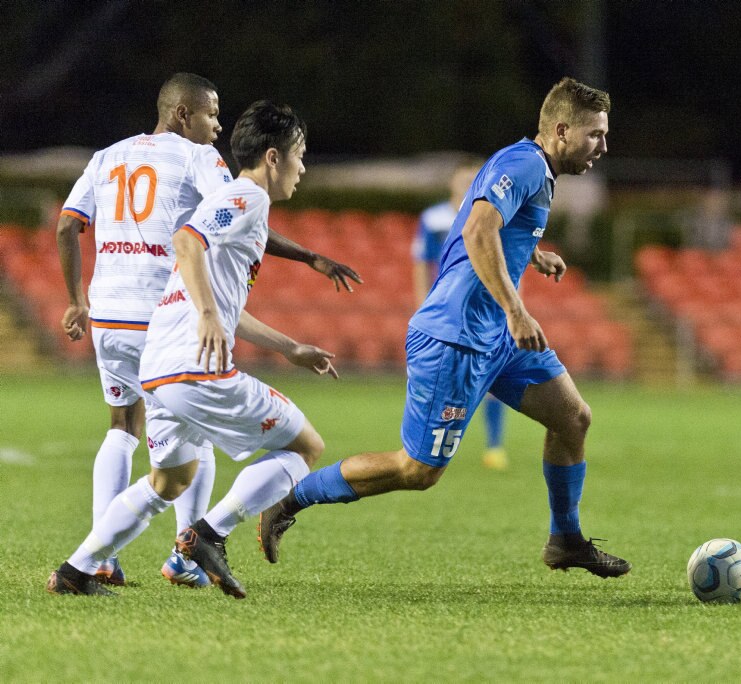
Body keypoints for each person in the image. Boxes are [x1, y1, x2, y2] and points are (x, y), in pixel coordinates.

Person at [257, 77, 631, 586]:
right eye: (595, 135)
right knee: (418, 471)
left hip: (492, 336)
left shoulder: (533, 168)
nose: (603, 147)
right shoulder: (522, 165)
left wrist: (530, 254)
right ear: (561, 131)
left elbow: (481, 226)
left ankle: (565, 540)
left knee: (573, 418)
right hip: (455, 337)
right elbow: (478, 229)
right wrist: (517, 310)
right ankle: (291, 497)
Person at [50, 90, 357, 595]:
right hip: (192, 365)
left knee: (168, 481)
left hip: (152, 360)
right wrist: (212, 316)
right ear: (274, 157)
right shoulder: (245, 196)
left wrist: (289, 348)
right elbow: (186, 240)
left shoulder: (117, 159)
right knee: (307, 447)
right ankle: (205, 535)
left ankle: (77, 570)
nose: (304, 168)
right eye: (300, 156)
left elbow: (208, 281)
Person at [412, 160, 509, 470]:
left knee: (494, 379)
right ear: (452, 184)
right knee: (450, 387)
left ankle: (494, 446)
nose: (468, 184)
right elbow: (422, 262)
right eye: (463, 179)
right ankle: (429, 445)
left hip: (484, 311)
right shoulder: (434, 218)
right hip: (448, 314)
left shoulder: (492, 217)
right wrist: (422, 303)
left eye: (474, 179)